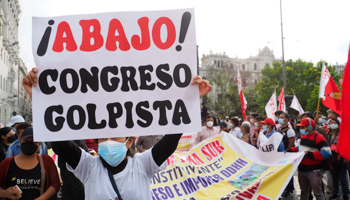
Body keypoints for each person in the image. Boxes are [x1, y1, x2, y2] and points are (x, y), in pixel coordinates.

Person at [22, 68, 212, 200]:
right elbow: (61, 144)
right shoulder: (88, 167)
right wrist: (37, 98)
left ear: (129, 142)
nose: (108, 142)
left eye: (115, 137)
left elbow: (170, 142)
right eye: (103, 138)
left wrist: (190, 100)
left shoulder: (143, 165)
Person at [0, 127, 60, 200]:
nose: (29, 143)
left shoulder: (46, 161)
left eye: (33, 141)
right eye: (26, 140)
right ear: (20, 141)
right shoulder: (7, 163)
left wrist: (41, 199)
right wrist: (6, 193)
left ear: (39, 144)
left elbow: (55, 184)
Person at [286, 118, 331, 200]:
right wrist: (290, 150)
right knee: (304, 192)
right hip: (302, 170)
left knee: (318, 193)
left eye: (303, 127)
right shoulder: (304, 136)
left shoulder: (319, 137)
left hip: (314, 172)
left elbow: (327, 153)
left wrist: (310, 154)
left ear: (310, 127)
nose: (301, 129)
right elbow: (301, 148)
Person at [327, 119, 349, 200]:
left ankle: (346, 195)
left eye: (334, 123)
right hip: (331, 158)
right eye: (331, 123)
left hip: (341, 158)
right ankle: (336, 193)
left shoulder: (342, 135)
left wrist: (345, 158)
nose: (332, 124)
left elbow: (346, 146)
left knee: (343, 178)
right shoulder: (328, 135)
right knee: (334, 177)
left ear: (338, 125)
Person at [278, 113, 295, 197]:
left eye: (281, 117)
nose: (279, 119)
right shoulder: (279, 129)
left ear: (287, 120)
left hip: (287, 154)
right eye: (279, 117)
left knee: (289, 172)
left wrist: (286, 152)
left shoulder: (290, 131)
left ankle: (290, 189)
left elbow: (291, 143)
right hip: (280, 154)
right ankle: (284, 188)